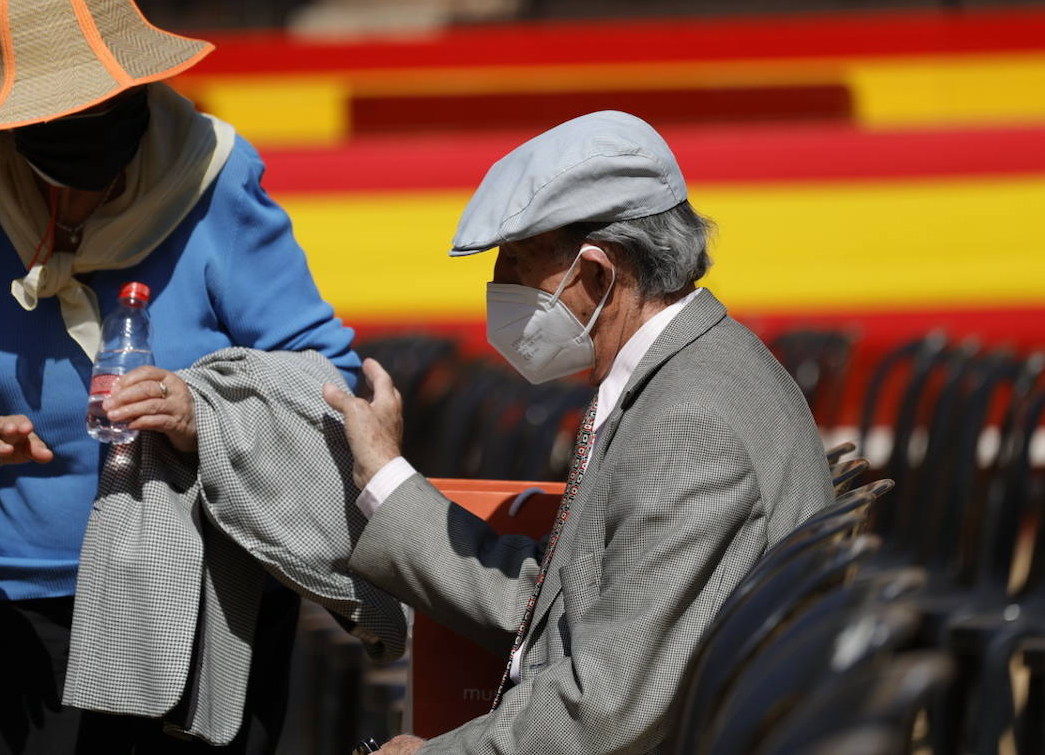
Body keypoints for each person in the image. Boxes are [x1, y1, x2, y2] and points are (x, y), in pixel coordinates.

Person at [0, 0, 361, 754]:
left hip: (204, 593)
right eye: (55, 130)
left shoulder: (215, 171)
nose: (88, 150)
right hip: (26, 612)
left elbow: (327, 378)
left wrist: (198, 410)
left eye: (106, 114)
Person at [323, 110, 836, 755]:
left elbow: (603, 709)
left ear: (598, 274)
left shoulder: (689, 415)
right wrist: (386, 475)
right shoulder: (687, 370)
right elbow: (558, 602)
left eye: (515, 264)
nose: (496, 288)